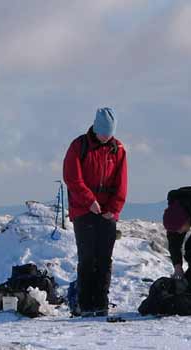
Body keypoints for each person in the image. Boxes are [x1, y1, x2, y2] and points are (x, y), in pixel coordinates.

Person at [63, 107, 128, 316]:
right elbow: (72, 178)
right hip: (83, 210)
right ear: (96, 128)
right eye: (103, 133)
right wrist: (89, 200)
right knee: (87, 258)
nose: (106, 137)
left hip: (107, 212)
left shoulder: (117, 149)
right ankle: (85, 303)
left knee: (104, 259)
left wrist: (114, 209)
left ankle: (100, 303)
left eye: (110, 133)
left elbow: (122, 183)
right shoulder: (79, 146)